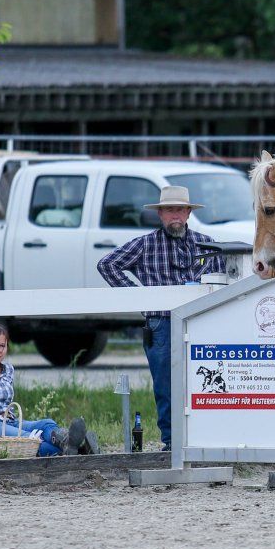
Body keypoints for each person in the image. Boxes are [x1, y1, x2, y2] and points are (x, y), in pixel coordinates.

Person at [96, 185, 225, 451]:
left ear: (188, 213)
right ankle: (172, 442)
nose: (174, 215)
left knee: (205, 381)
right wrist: (140, 298)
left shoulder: (206, 243)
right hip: (160, 324)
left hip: (199, 322)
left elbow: (222, 278)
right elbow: (107, 264)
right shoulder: (145, 244)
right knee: (166, 385)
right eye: (169, 210)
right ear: (160, 214)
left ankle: (202, 438)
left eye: (179, 210)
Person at [0, 323, 99, 456]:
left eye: (2, 346)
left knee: (46, 424)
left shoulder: (8, 370)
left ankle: (67, 442)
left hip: (11, 421)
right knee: (29, 439)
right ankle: (81, 451)